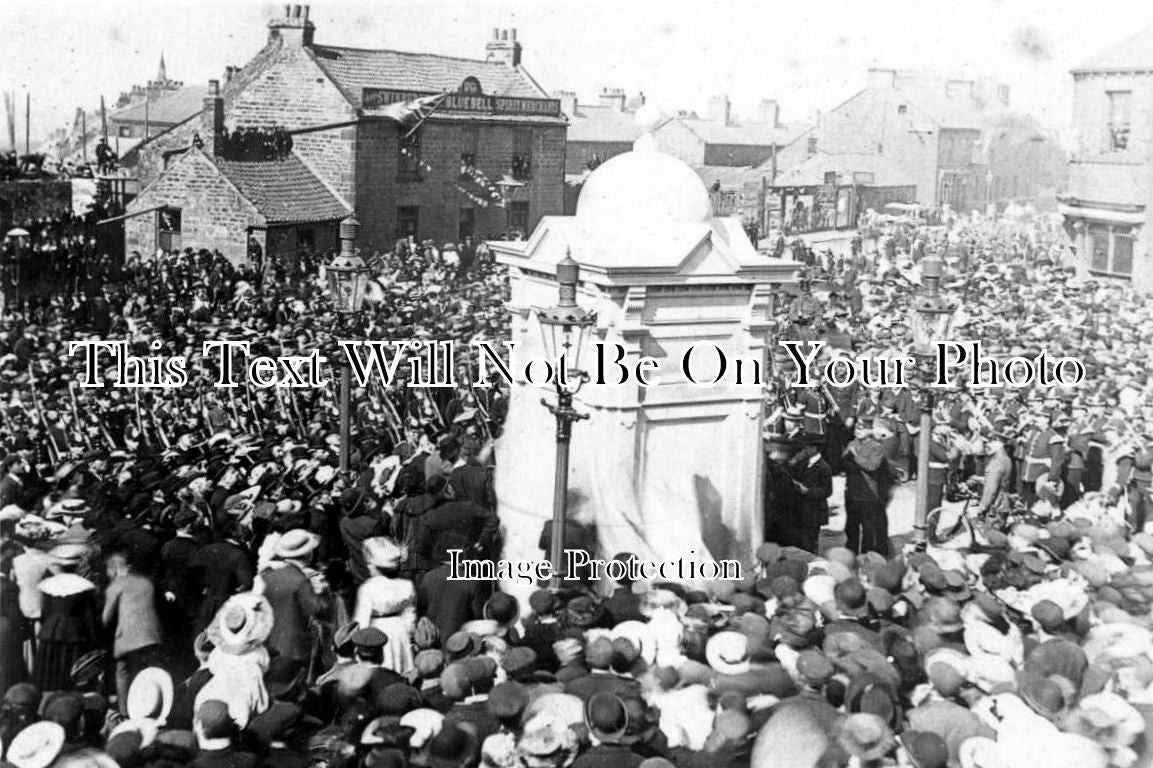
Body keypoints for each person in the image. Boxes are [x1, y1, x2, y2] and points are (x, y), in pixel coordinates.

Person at [102, 548, 163, 713]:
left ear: (113, 569)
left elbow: (106, 618)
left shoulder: (117, 585)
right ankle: (152, 707)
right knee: (149, 671)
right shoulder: (147, 582)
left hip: (128, 638)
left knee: (122, 671)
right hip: (153, 636)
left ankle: (124, 712)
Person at [34, 545, 99, 692]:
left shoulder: (49, 584)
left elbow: (45, 612)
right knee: (71, 672)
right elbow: (89, 617)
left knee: (51, 673)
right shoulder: (84, 586)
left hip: (50, 632)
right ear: (76, 566)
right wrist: (94, 640)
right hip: (74, 633)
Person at [353, 537, 416, 675]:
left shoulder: (368, 588)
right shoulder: (406, 585)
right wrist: (408, 632)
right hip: (400, 631)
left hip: (377, 628)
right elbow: (410, 615)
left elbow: (361, 620)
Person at [843, 422, 899, 557]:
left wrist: (856, 457)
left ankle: (866, 557)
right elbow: (844, 462)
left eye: (861, 429)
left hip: (868, 495)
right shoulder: (852, 444)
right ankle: (851, 555)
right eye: (856, 428)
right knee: (851, 528)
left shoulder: (876, 447)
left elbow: (872, 466)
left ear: (869, 430)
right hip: (851, 492)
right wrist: (858, 464)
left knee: (869, 530)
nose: (858, 431)